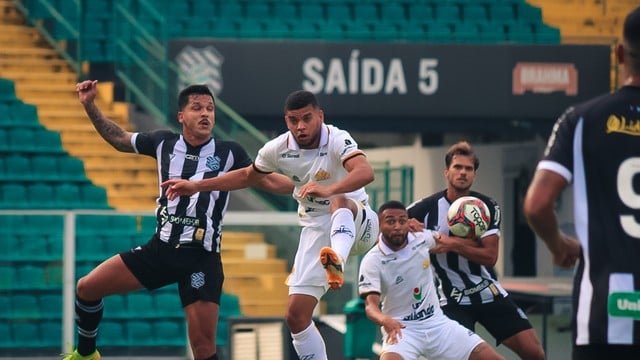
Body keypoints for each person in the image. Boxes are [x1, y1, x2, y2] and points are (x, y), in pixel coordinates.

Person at [65, 80, 293, 360]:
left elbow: (268, 182)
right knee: (87, 288)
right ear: (181, 116)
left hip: (201, 259)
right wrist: (90, 106)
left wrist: (306, 187)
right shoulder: (163, 142)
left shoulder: (229, 153)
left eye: (210, 108)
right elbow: (119, 138)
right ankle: (86, 354)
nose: (205, 114)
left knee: (203, 347)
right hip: (159, 250)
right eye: (197, 108)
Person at [161, 90, 379, 360]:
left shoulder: (337, 138)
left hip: (359, 223)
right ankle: (332, 262)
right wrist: (195, 185)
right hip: (316, 231)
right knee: (296, 316)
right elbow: (246, 176)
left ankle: (338, 261)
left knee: (340, 201)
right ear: (286, 120)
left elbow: (365, 171)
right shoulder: (278, 149)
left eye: (307, 118)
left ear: (320, 116)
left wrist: (329, 190)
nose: (300, 126)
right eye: (293, 120)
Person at [523, 6, 640, 359]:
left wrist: (558, 244)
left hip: (605, 314)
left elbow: (537, 204)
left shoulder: (581, 120)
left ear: (619, 53)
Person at [407, 141, 545, 360]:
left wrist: (447, 242)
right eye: (457, 167)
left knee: (534, 352)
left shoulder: (486, 206)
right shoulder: (423, 209)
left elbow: (490, 256)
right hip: (451, 300)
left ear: (474, 175)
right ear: (446, 172)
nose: (463, 173)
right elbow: (388, 229)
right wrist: (410, 232)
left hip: (487, 291)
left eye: (468, 169)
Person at [359, 200, 504, 360]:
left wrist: (476, 238)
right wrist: (385, 320)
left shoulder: (421, 238)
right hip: (402, 329)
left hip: (437, 324)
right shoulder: (372, 260)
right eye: (391, 221)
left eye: (402, 221)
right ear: (379, 226)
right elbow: (370, 307)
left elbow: (448, 242)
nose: (398, 226)